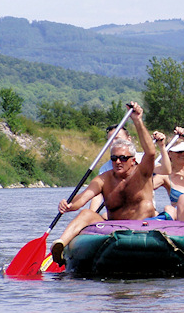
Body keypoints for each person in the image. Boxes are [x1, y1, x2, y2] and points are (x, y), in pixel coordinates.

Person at [50, 102, 160, 265]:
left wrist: (137, 121)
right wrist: (69, 206)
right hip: (115, 228)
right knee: (87, 214)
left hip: (143, 228)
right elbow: (83, 198)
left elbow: (151, 152)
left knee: (146, 207)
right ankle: (60, 244)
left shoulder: (142, 172)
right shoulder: (104, 178)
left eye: (123, 158)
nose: (118, 162)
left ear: (133, 160)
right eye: (114, 158)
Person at [88, 124, 171, 217]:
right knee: (103, 216)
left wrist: (162, 146)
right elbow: (97, 195)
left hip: (144, 212)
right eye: (110, 140)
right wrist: (92, 214)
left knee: (151, 210)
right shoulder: (105, 168)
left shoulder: (142, 160)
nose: (113, 142)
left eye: (117, 138)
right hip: (119, 215)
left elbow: (166, 170)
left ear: (129, 139)